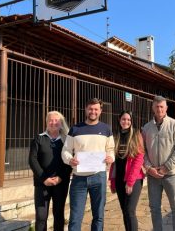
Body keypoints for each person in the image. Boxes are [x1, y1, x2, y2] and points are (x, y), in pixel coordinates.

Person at [61, 98, 115, 231]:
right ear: (86, 109)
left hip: (99, 177)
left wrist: (111, 158)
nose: (93, 111)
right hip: (79, 178)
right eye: (90, 109)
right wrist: (70, 160)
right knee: (75, 217)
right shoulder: (75, 129)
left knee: (98, 216)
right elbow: (66, 150)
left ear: (100, 111)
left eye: (96, 109)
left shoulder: (106, 129)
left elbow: (110, 149)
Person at [142, 96, 175, 231]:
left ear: (166, 108)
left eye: (162, 106)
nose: (159, 109)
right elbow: (142, 151)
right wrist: (149, 168)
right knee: (154, 208)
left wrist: (166, 168)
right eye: (157, 106)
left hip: (171, 175)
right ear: (153, 108)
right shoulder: (146, 128)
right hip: (153, 176)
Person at [29, 111, 72, 231]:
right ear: (47, 122)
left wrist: (60, 178)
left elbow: (69, 162)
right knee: (41, 216)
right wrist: (44, 179)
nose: (53, 123)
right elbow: (32, 160)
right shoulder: (39, 138)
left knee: (58, 214)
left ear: (61, 123)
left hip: (61, 183)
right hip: (42, 183)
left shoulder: (66, 140)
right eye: (50, 120)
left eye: (56, 120)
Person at [109, 111, 145, 231]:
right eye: (124, 119)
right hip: (119, 179)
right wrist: (112, 181)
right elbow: (114, 162)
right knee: (125, 211)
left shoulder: (136, 135)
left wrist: (130, 182)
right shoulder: (115, 135)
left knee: (130, 211)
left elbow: (139, 159)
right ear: (119, 120)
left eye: (128, 120)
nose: (126, 122)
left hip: (133, 179)